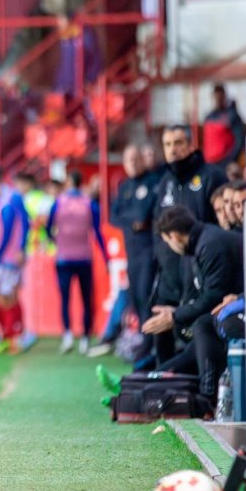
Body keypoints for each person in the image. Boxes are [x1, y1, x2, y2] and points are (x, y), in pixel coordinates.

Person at [146, 124, 227, 369]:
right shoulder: (165, 183)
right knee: (160, 333)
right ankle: (162, 395)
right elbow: (157, 230)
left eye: (178, 143)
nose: (173, 150)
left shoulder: (212, 176)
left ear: (191, 145)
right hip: (170, 279)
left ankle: (201, 395)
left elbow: (222, 225)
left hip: (201, 278)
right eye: (168, 145)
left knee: (198, 340)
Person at [46, 170, 108, 355]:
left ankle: (67, 335)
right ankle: (85, 338)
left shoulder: (58, 203)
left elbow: (48, 228)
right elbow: (98, 232)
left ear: (67, 183)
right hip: (84, 258)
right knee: (85, 299)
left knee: (65, 299)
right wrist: (106, 257)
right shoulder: (89, 204)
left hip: (63, 258)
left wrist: (57, 241)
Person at [108, 144, 157, 360]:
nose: (133, 164)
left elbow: (145, 213)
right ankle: (140, 340)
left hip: (148, 250)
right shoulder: (125, 186)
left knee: (146, 295)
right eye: (128, 160)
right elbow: (116, 215)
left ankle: (149, 343)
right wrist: (134, 220)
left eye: (136, 159)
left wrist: (137, 219)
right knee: (135, 297)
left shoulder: (152, 181)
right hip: (132, 252)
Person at [0, 167, 32, 357]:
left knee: (7, 297)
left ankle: (15, 337)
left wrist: (22, 248)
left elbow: (22, 224)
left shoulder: (12, 198)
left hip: (9, 257)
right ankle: (8, 333)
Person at [202, 84, 245, 169]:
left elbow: (239, 141)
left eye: (220, 95)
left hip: (226, 164)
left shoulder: (232, 115)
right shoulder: (209, 117)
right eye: (216, 96)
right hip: (210, 163)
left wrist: (229, 160)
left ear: (224, 96)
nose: (218, 98)